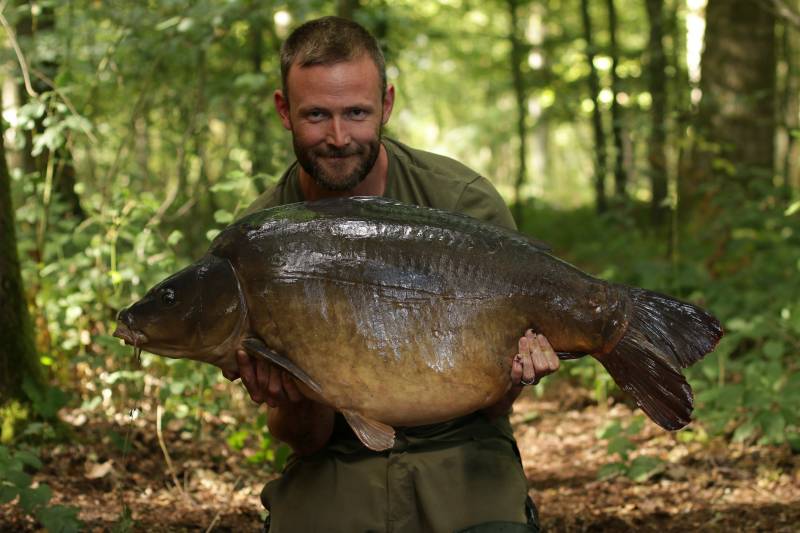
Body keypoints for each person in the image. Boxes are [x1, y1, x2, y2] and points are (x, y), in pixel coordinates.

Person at [224, 16, 560, 533]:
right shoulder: (259, 241)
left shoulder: (461, 201)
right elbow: (306, 437)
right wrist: (288, 391)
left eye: (356, 112)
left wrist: (513, 375)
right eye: (317, 115)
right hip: (334, 465)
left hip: (461, 449)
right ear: (284, 111)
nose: (338, 137)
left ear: (386, 105)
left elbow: (492, 410)